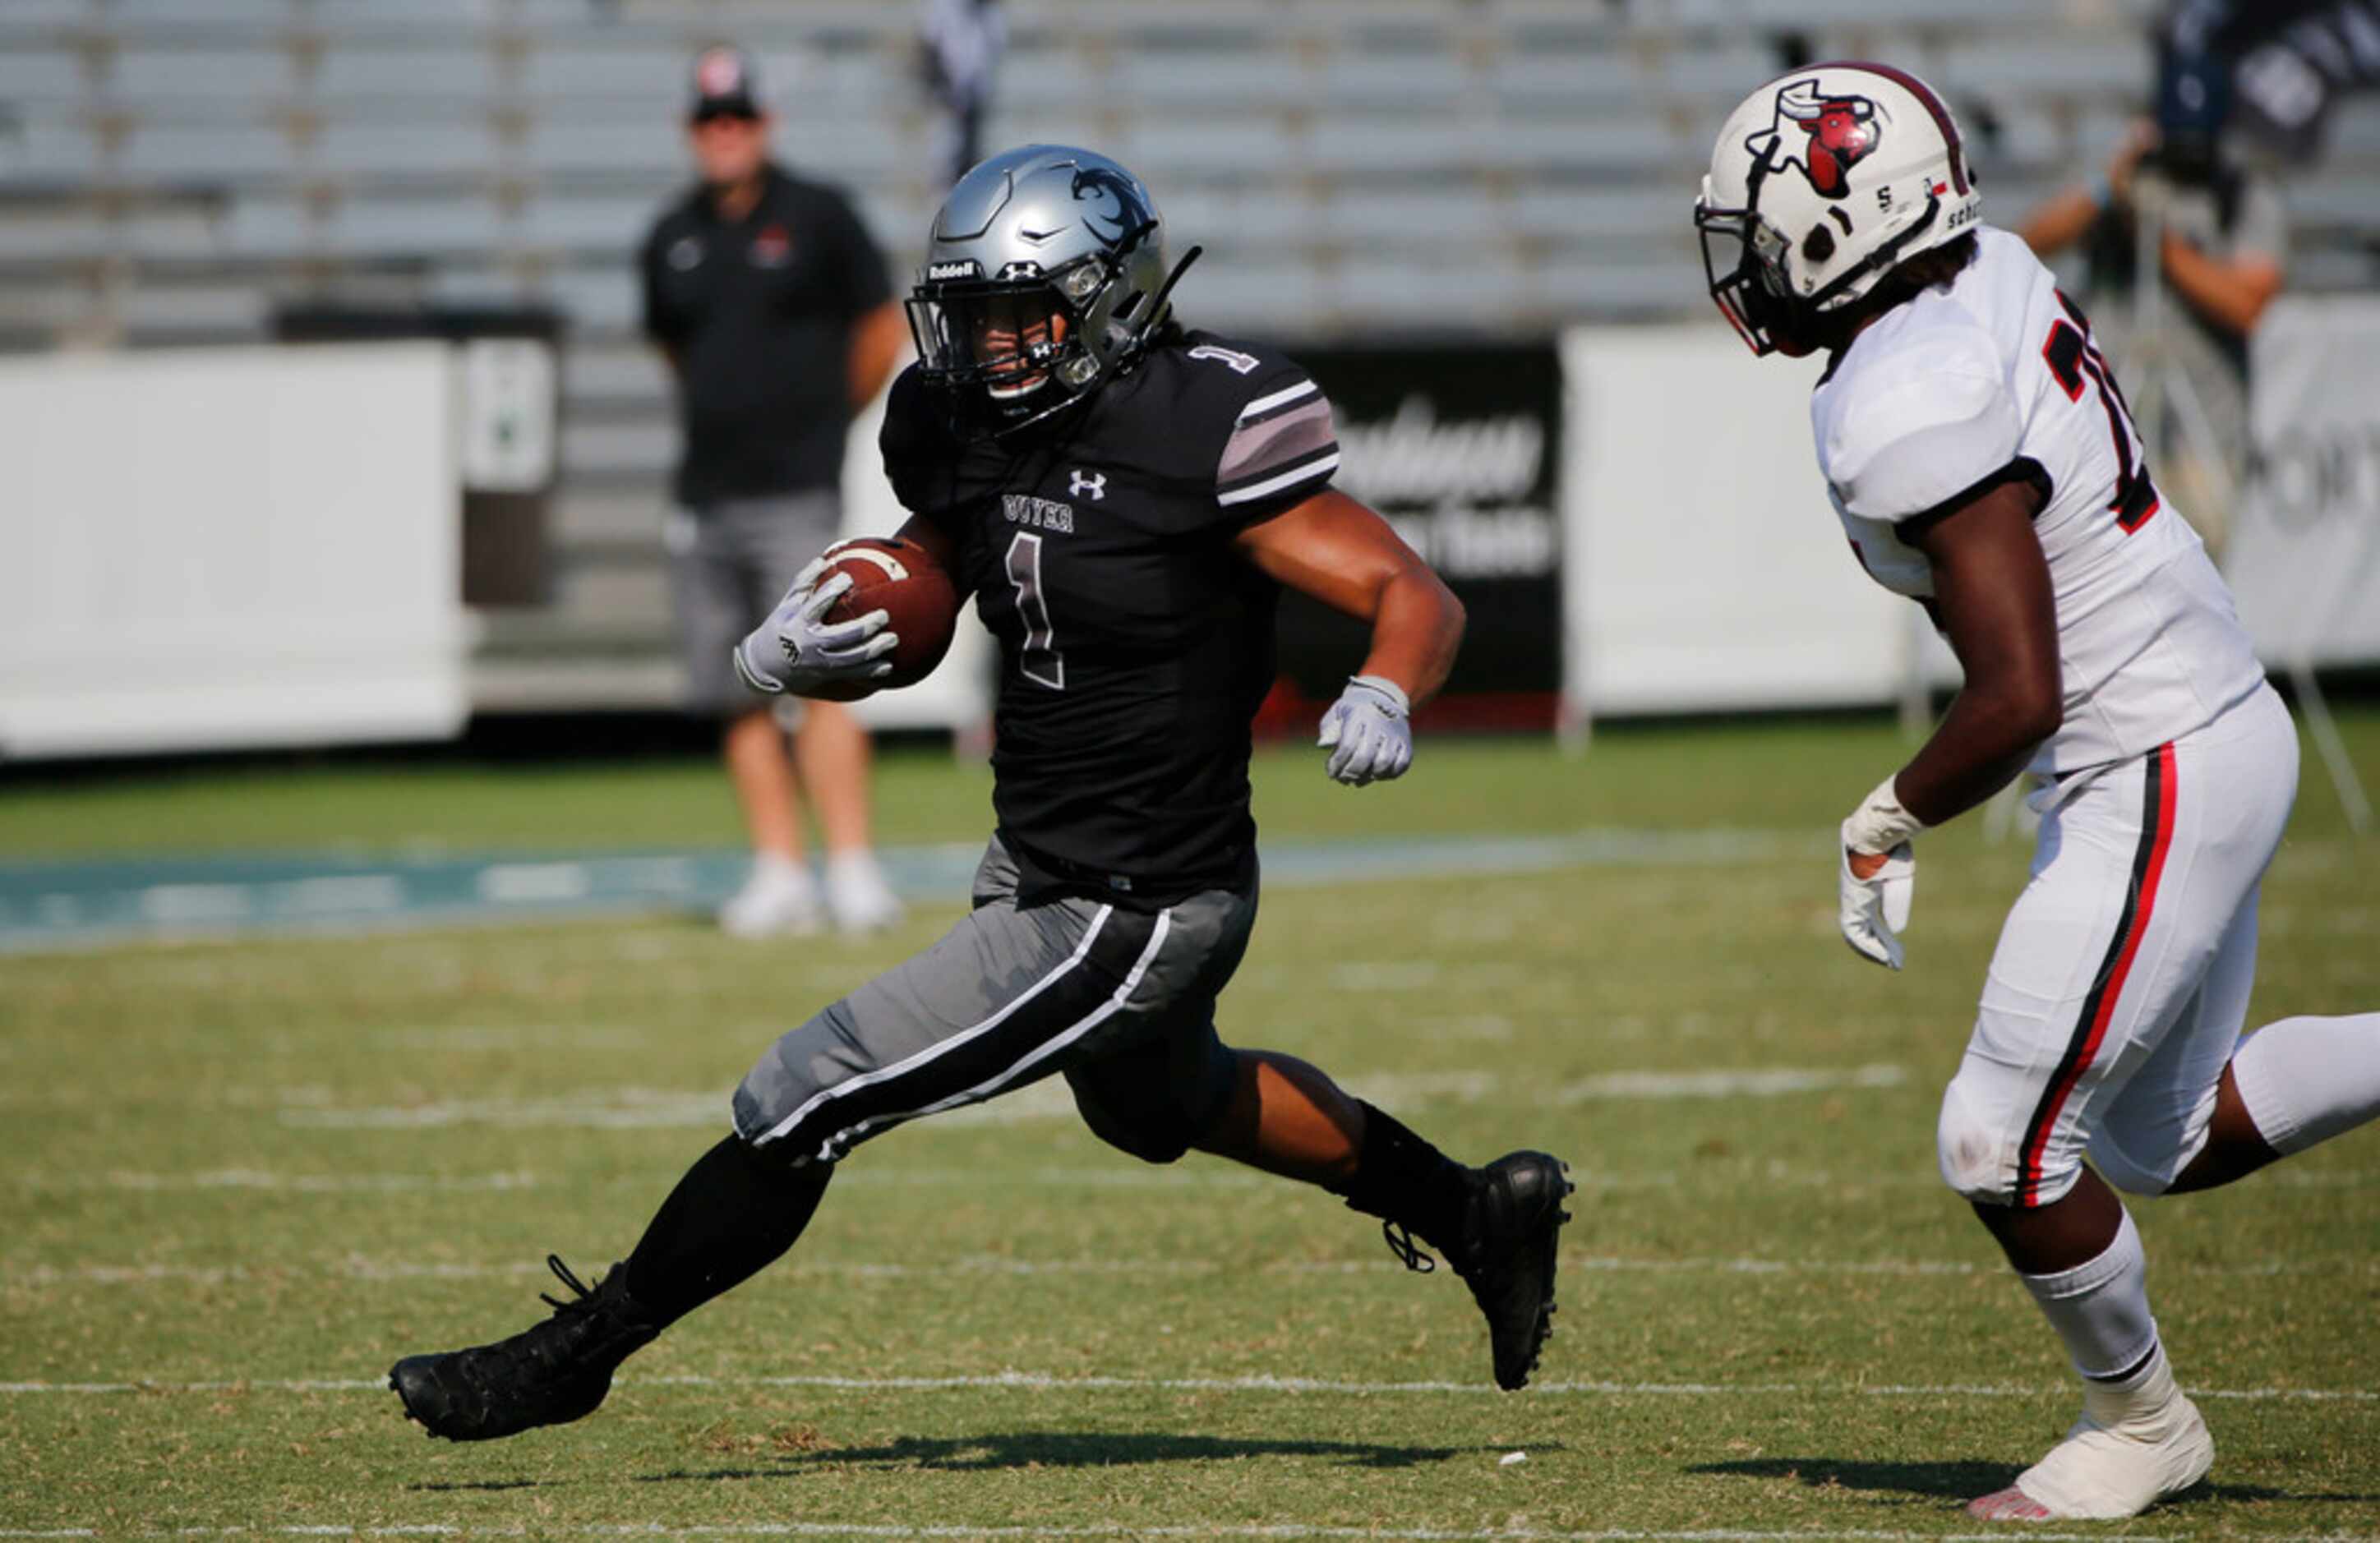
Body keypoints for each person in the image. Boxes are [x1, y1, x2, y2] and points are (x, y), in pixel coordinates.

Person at [388, 145, 1573, 1443]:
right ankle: (1474, 1210)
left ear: (1112, 297)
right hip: (1042, 856)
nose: (992, 344)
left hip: (1137, 898)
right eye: (973, 313)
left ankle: (576, 1353)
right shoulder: (956, 416)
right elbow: (939, 571)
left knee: (808, 1090)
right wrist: (811, 640)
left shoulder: (1200, 421)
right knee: (1160, 1104)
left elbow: (1416, 592)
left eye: (1023, 312)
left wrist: (1389, 686)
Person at [1694, 62, 2380, 1522]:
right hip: (2202, 720)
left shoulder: (1901, 389)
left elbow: (2017, 691)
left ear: (1844, 227)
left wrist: (1887, 812)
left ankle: (2140, 1424)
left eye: (1764, 231)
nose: (1747, 265)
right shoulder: (1985, 269)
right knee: (2158, 1136)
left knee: (1996, 1140)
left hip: (2153, 750)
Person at [639, 44, 913, 937]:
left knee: (822, 680)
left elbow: (880, 329)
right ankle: (778, 870)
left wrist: (825, 417)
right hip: (706, 492)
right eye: (712, 120)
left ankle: (852, 866)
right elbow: (675, 351)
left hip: (797, 487)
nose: (726, 134)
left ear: (767, 125)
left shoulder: (820, 216)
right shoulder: (670, 237)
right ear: (692, 130)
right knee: (735, 687)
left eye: (740, 118)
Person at [2016, 50, 2288, 548]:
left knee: (2197, 574)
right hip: (2108, 430)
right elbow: (2031, 240)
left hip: (2204, 426)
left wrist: (2159, 243)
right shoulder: (2119, 181)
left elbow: (2247, 303)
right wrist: (2107, 187)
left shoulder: (2242, 195)